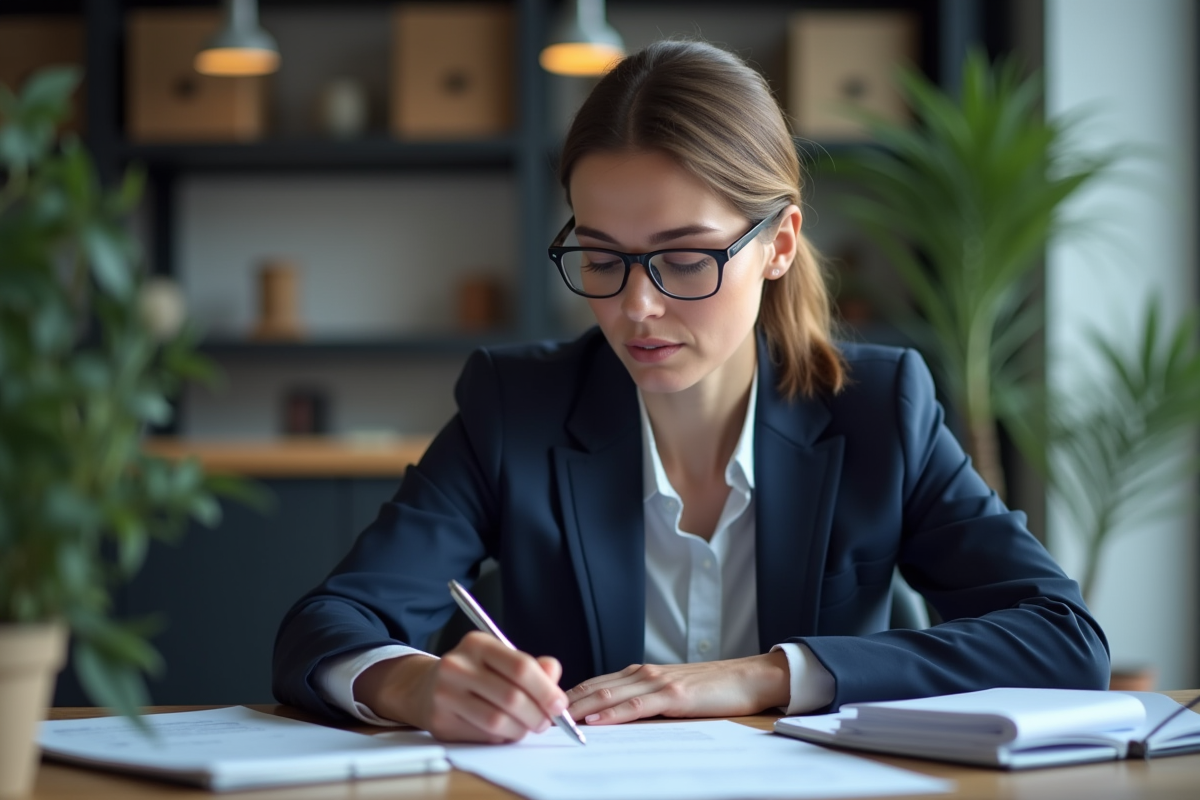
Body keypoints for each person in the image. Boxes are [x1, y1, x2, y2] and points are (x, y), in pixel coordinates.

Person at [273, 40, 1109, 744]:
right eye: (601, 258)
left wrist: (769, 675)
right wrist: (415, 687)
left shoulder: (880, 409)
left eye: (684, 258)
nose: (637, 307)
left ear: (779, 244)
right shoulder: (514, 407)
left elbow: (1064, 638)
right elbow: (329, 624)